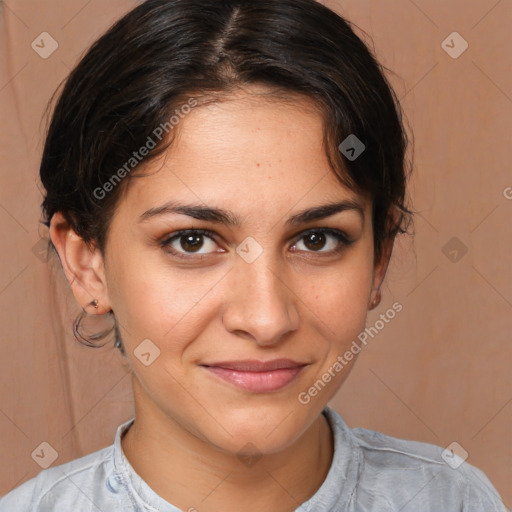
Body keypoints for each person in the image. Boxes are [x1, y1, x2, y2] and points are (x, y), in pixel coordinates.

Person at [0, 0, 507, 510]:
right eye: (192, 241)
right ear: (88, 265)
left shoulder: (455, 500)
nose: (266, 320)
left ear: (379, 258)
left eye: (317, 239)